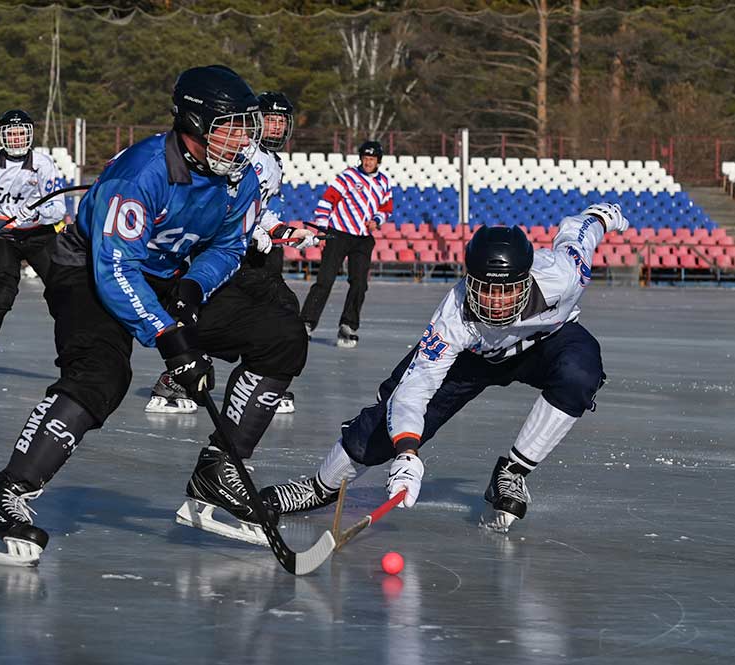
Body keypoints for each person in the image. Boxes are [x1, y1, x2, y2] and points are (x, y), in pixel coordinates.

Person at [0, 65, 306, 563]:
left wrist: (193, 285)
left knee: (281, 336)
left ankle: (218, 471)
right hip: (87, 271)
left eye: (246, 127)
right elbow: (114, 268)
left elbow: (228, 248)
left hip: (164, 273)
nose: (242, 140)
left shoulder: (239, 180)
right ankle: (6, 496)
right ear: (193, 125)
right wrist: (172, 339)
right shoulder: (142, 172)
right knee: (101, 375)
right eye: (230, 127)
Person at [261, 203, 630, 533]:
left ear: (527, 279)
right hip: (470, 357)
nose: (496, 303)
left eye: (506, 291)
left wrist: (597, 216)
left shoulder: (564, 276)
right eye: (484, 289)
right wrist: (407, 454)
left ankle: (512, 473)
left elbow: (577, 234)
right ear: (468, 280)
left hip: (544, 343)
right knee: (386, 421)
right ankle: (318, 487)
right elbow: (416, 388)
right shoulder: (453, 315)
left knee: (581, 372)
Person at [145, 91, 319, 416]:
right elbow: (225, 202)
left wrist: (283, 232)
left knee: (281, 308)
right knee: (228, 317)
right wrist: (251, 231)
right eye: (271, 120)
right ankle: (178, 375)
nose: (277, 127)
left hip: (248, 249)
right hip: (224, 249)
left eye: (282, 121)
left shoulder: (274, 163)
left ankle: (263, 377)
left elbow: (260, 208)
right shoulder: (241, 154)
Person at [0, 109, 66, 383]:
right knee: (3, 293)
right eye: (11, 133)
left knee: (65, 290)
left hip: (37, 234)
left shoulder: (43, 165)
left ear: (30, 134)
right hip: (2, 235)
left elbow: (58, 208)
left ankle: (73, 356)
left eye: (22, 133)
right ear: (2, 136)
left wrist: (36, 215)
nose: (17, 138)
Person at [300, 140, 393, 348]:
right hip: (339, 234)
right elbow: (326, 201)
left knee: (360, 283)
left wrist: (376, 220)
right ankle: (306, 322)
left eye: (372, 159)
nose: (368, 162)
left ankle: (348, 325)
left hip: (363, 238)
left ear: (378, 161)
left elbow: (386, 209)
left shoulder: (384, 182)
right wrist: (323, 229)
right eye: (365, 158)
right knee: (325, 280)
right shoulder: (348, 176)